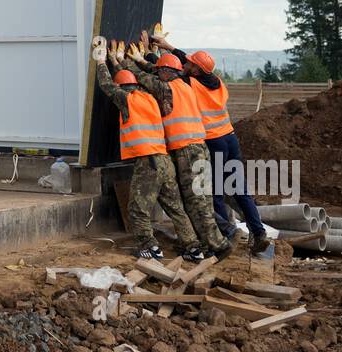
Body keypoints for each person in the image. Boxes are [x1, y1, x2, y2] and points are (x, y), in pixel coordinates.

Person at [153, 31, 271, 254]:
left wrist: (154, 58)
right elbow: (189, 63)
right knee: (240, 190)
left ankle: (225, 234)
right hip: (230, 138)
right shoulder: (218, 83)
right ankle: (259, 232)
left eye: (191, 64)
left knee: (214, 192)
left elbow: (172, 72)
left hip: (215, 142)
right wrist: (167, 46)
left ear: (195, 70)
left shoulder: (191, 83)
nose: (187, 64)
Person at [91, 37, 207, 261]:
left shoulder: (127, 99)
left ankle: (150, 247)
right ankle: (193, 247)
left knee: (137, 208)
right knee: (175, 207)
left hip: (149, 162)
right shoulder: (151, 98)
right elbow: (146, 80)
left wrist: (101, 62)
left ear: (123, 87)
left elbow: (107, 87)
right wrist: (121, 63)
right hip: (165, 161)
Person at [125, 41, 231, 260]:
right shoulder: (185, 84)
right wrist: (147, 58)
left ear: (166, 72)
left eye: (160, 71)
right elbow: (154, 73)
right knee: (201, 199)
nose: (158, 73)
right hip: (199, 148)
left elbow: (143, 78)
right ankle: (207, 243)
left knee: (196, 201)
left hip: (187, 151)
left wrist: (123, 62)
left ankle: (218, 245)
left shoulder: (166, 88)